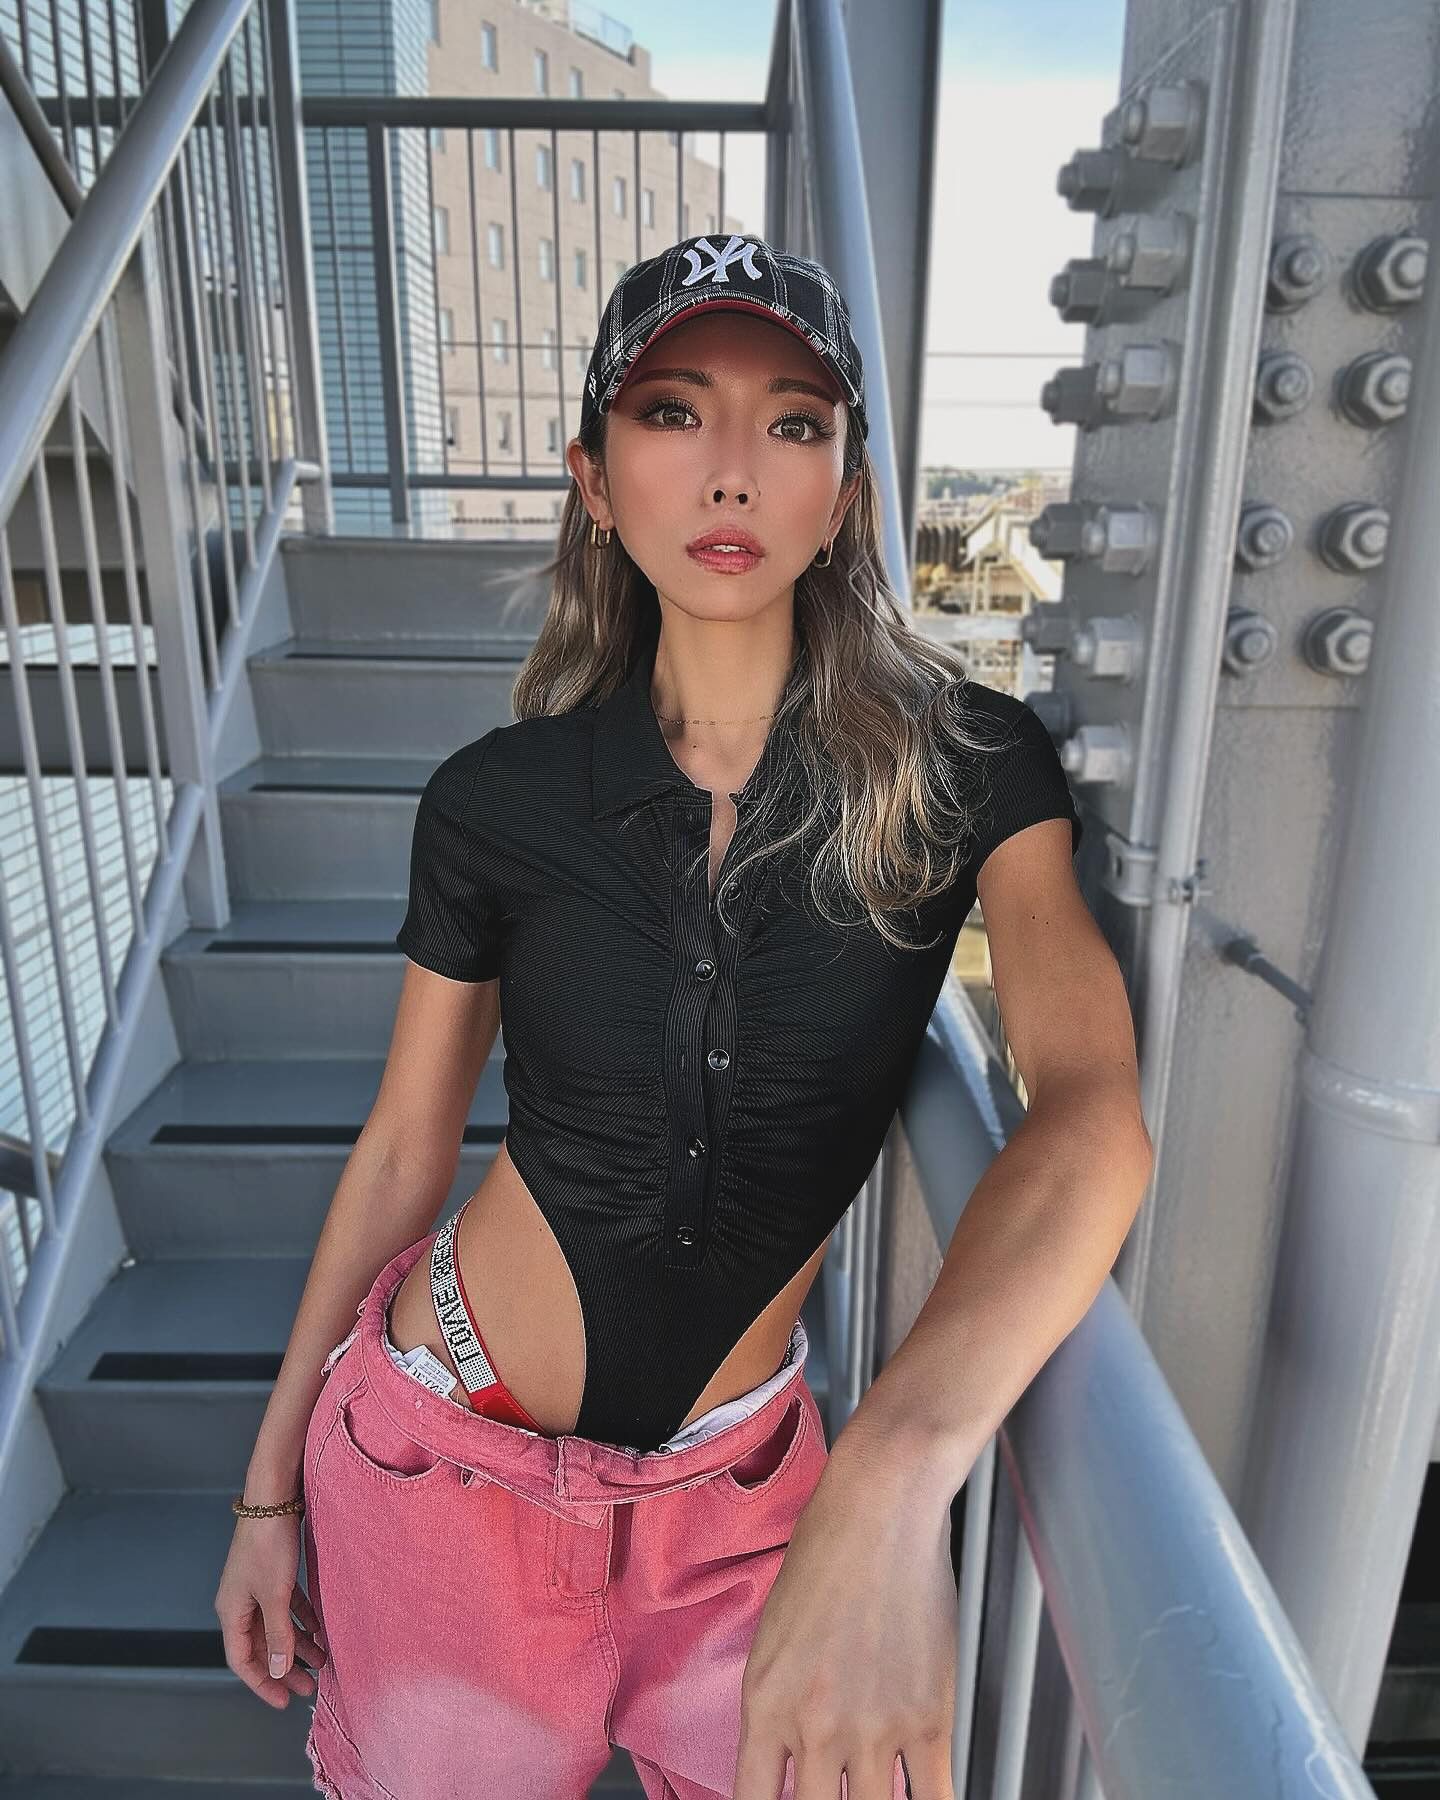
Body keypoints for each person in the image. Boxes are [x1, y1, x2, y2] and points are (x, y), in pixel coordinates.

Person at [214, 232, 1152, 1800]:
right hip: (441, 1462)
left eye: (792, 424)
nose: (732, 471)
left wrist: (892, 1475)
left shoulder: (969, 766)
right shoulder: (496, 799)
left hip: (750, 1508)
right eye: (672, 413)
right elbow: (402, 1154)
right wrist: (266, 1495)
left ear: (843, 493)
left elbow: (1090, 1109)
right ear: (592, 477)